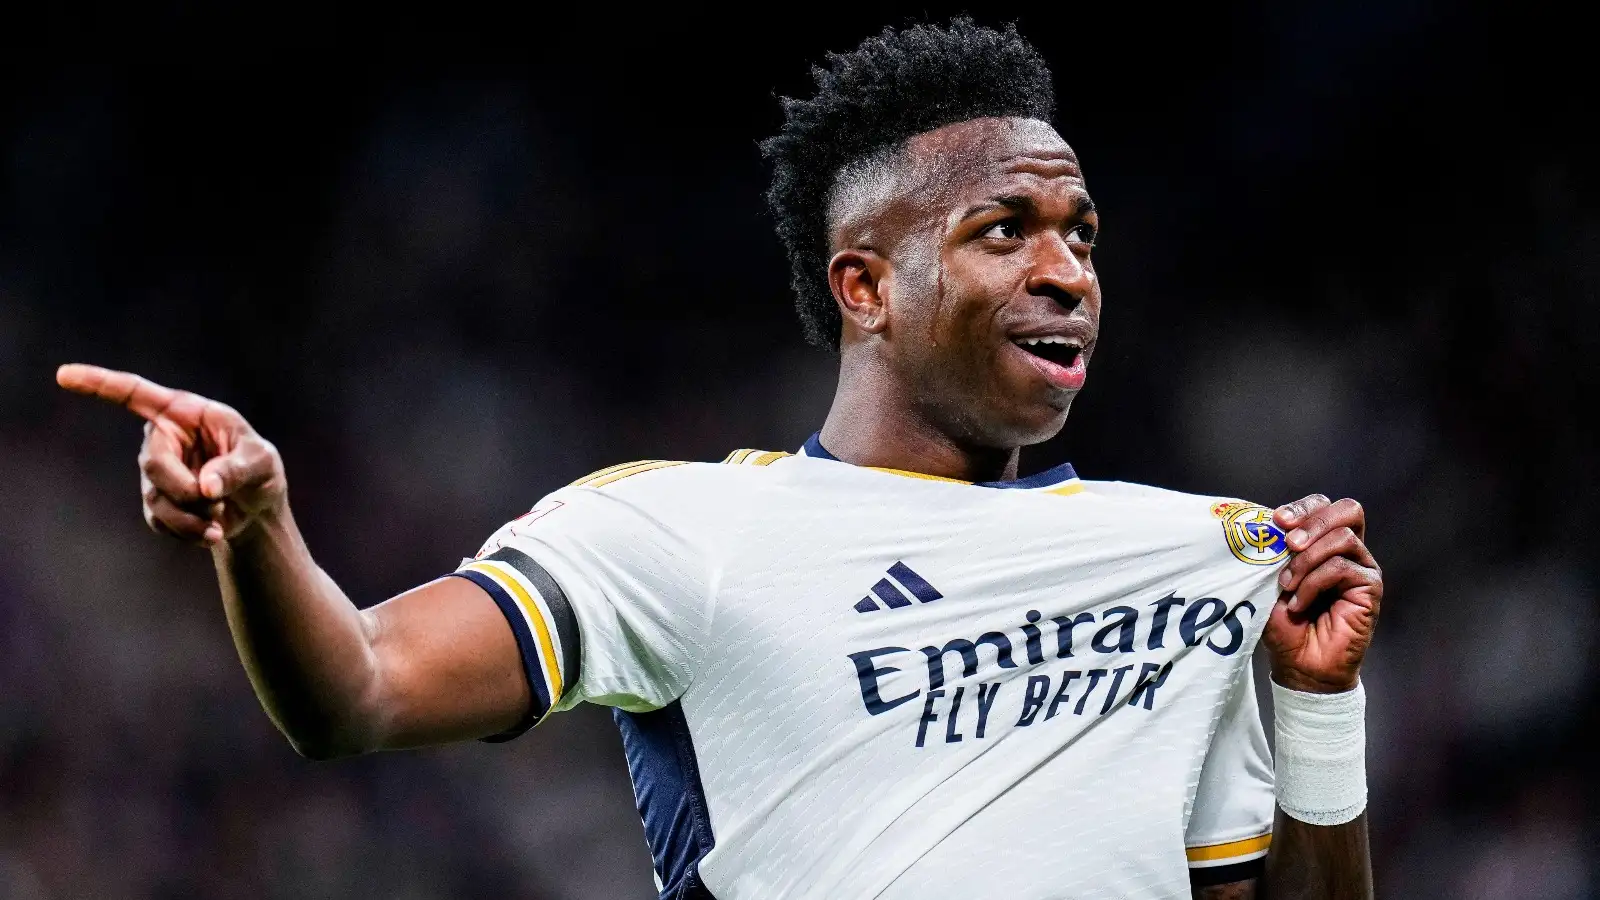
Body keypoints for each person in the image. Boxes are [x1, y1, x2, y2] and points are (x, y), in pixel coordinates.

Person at [57, 18, 1382, 900]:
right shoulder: (680, 535)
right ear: (865, 285)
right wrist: (259, 528)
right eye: (1007, 230)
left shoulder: (1205, 558)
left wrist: (1318, 707)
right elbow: (354, 693)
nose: (1066, 271)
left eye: (1083, 234)